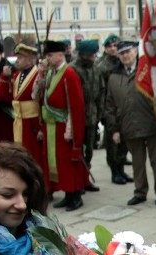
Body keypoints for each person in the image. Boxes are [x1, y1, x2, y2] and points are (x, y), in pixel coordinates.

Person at [103, 39, 156, 206]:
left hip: (153, 123)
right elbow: (110, 105)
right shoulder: (113, 76)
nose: (125, 56)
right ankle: (140, 191)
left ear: (136, 52)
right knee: (137, 163)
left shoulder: (148, 71)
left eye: (128, 52)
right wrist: (114, 130)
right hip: (129, 125)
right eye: (122, 53)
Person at [37, 39, 89, 211]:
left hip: (64, 125)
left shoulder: (69, 74)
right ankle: (67, 194)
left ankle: (76, 196)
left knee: (69, 162)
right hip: (52, 126)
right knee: (59, 163)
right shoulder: (51, 73)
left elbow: (75, 105)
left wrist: (72, 130)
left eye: (50, 55)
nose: (48, 59)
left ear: (60, 55)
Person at [95, 35, 132, 185]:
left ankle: (121, 169)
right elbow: (99, 90)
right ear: (105, 48)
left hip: (122, 108)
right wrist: (103, 112)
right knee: (112, 144)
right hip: (109, 109)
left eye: (115, 46)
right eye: (109, 46)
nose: (113, 48)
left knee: (123, 143)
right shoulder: (101, 66)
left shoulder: (121, 63)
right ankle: (114, 172)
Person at [69, 39, 101, 193]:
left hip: (92, 116)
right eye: (92, 54)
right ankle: (78, 182)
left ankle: (86, 179)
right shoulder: (73, 69)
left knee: (89, 151)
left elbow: (100, 91)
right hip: (78, 118)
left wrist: (99, 114)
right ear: (84, 55)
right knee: (77, 152)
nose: (95, 56)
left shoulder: (95, 68)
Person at [8, 43, 44, 167]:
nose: (17, 61)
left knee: (33, 154)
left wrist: (41, 127)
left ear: (29, 60)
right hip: (20, 120)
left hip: (32, 121)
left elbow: (41, 100)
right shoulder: (18, 75)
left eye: (20, 58)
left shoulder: (37, 75)